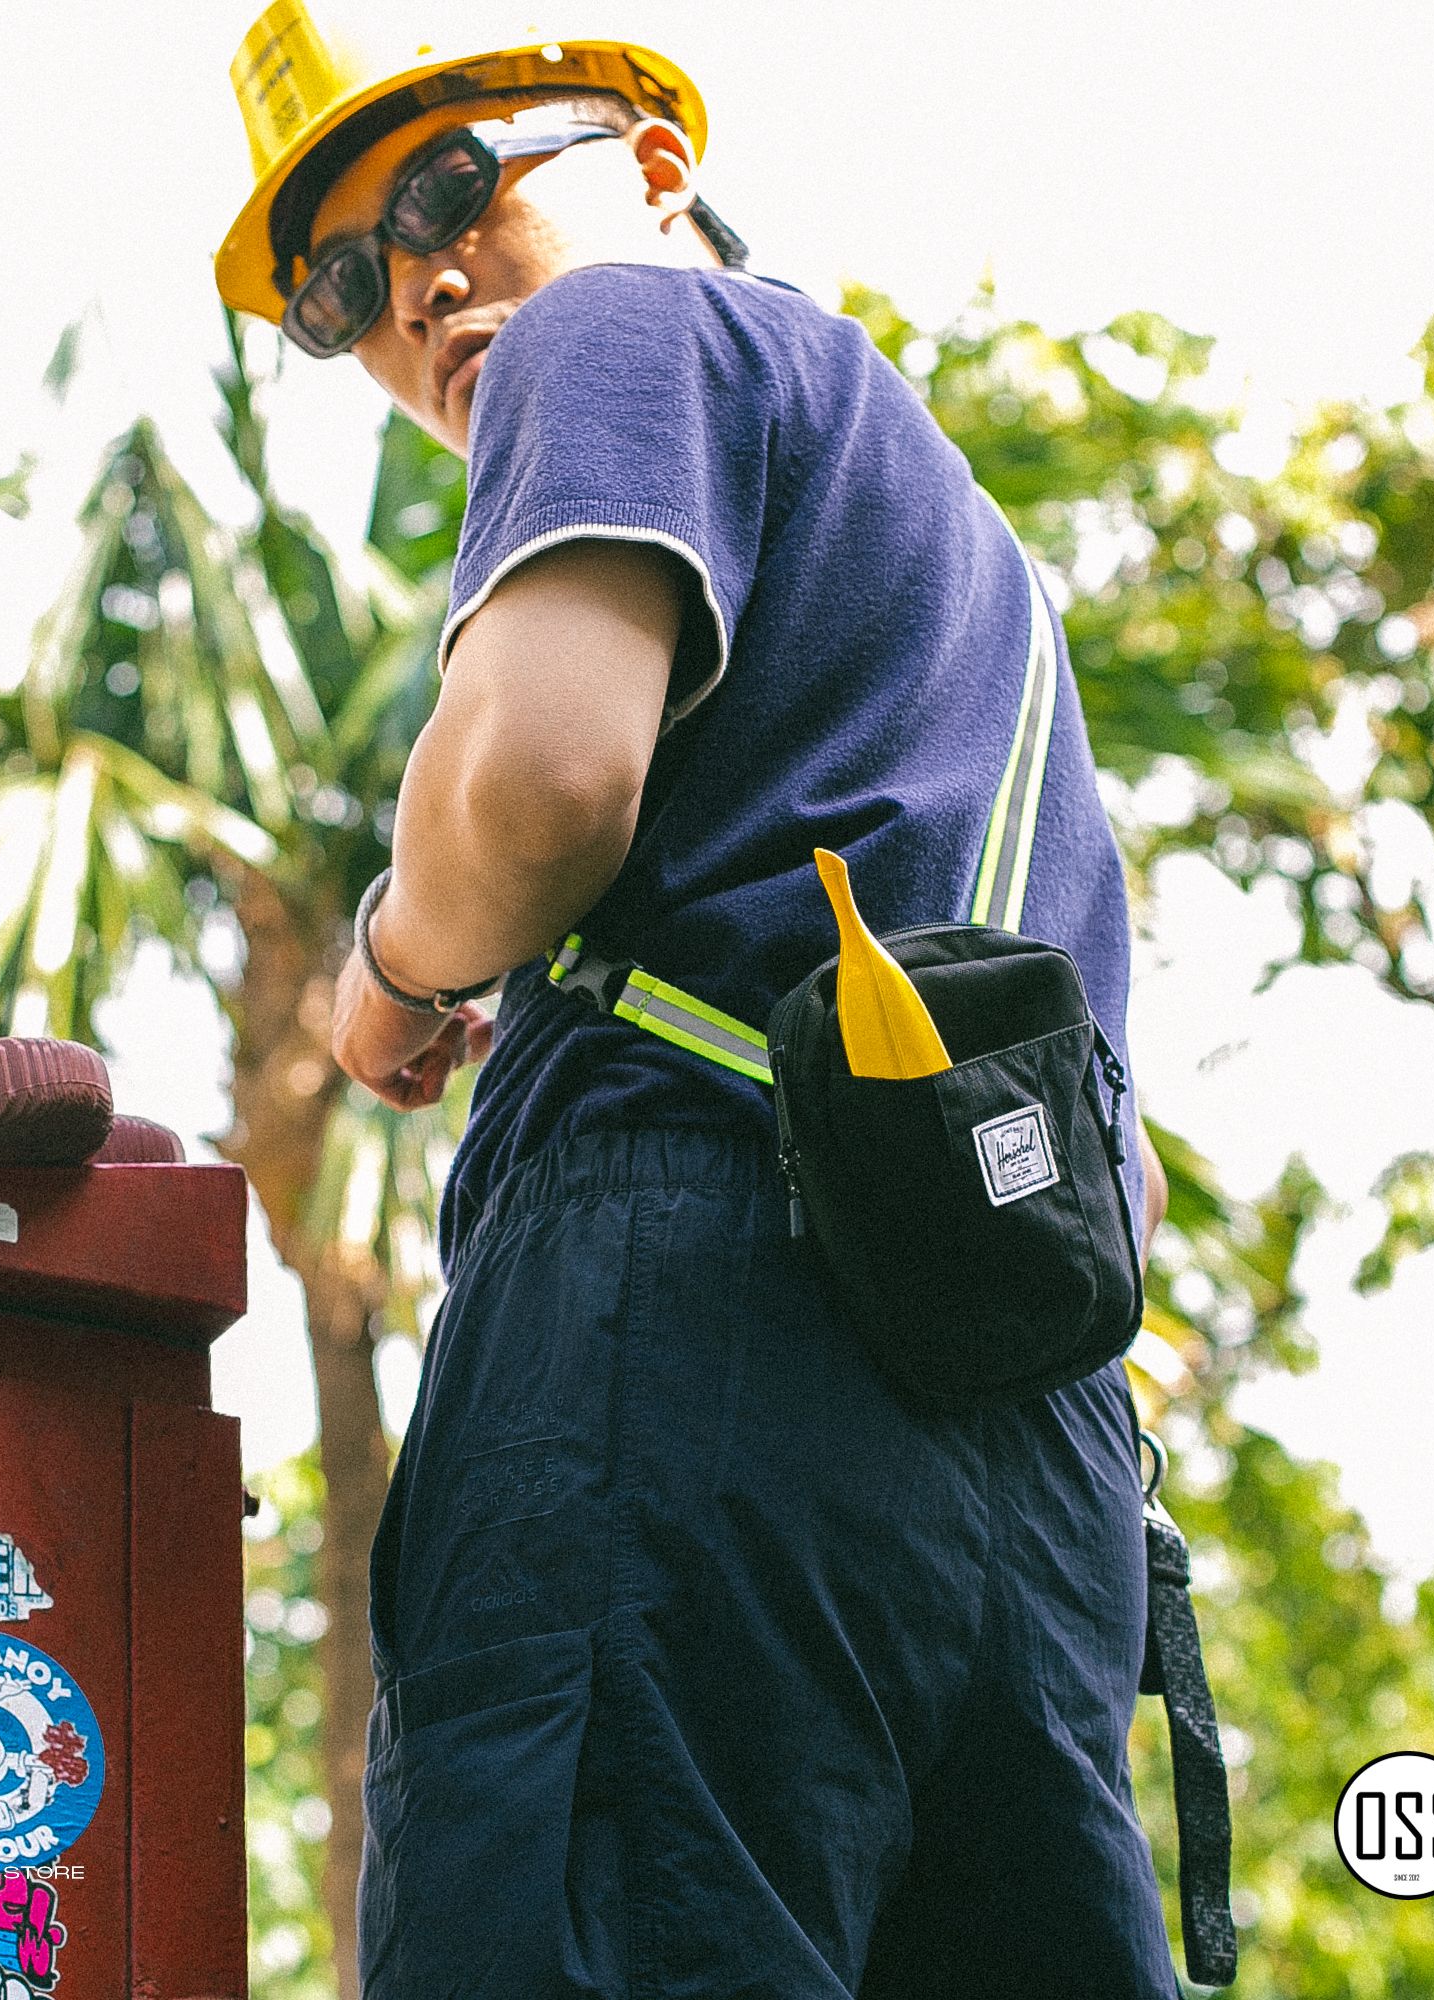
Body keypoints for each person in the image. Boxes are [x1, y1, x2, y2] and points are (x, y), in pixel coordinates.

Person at [214, 10, 1185, 1995]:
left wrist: (394, 961)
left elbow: (548, 773)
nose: (420, 284)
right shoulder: (959, 554)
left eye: (451, 180)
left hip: (693, 1334)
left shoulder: (620, 331)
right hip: (1034, 1448)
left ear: (656, 165)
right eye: (336, 288)